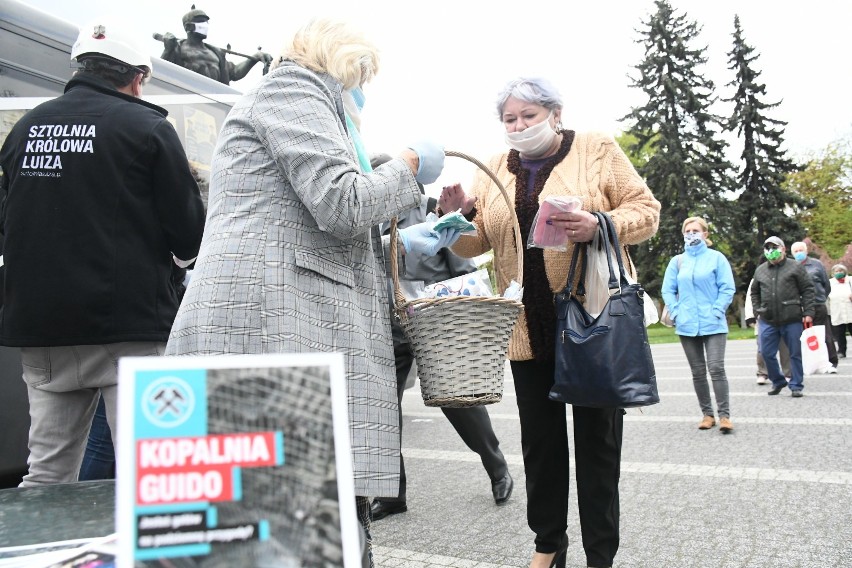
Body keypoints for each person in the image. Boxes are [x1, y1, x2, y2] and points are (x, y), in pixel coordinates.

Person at [163, 18, 458, 565]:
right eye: (362, 72)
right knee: (296, 515)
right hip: (268, 330)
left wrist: (420, 231)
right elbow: (342, 203)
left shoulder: (302, 104)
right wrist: (410, 167)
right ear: (339, 59)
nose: (362, 88)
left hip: (281, 328)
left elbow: (329, 220)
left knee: (294, 519)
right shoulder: (294, 89)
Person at [439, 77, 660, 568]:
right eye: (509, 120)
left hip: (592, 320)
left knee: (597, 447)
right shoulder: (494, 167)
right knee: (540, 446)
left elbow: (646, 212)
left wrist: (599, 223)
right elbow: (476, 243)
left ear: (555, 114)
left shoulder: (596, 149)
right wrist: (451, 219)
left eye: (528, 116)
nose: (518, 127)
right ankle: (548, 545)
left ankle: (600, 554)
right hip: (527, 329)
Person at [0, 20, 205, 486]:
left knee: (48, 471)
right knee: (155, 472)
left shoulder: (25, 128)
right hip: (129, 329)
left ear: (80, 68)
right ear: (137, 78)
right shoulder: (149, 127)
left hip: (40, 328)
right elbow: (189, 236)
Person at [370, 153, 513, 522]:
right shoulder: (370, 221)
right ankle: (391, 493)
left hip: (436, 323)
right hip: (384, 324)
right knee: (382, 408)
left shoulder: (433, 212)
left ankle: (497, 468)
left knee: (459, 400)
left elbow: (463, 270)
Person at [661, 217, 735, 432]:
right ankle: (707, 414)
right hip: (686, 324)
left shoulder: (716, 258)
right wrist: (675, 311)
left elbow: (727, 288)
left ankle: (725, 416)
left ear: (705, 234)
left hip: (713, 322)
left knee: (716, 368)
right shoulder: (677, 261)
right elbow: (667, 289)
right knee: (698, 371)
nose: (691, 234)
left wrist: (717, 310)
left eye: (696, 230)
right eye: (688, 230)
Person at [750, 236, 815, 397]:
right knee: (766, 352)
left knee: (794, 353)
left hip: (791, 317)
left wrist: (808, 312)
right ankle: (778, 381)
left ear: (783, 249)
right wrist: (757, 310)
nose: (771, 251)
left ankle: (796, 385)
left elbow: (807, 290)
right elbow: (754, 292)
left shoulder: (795, 267)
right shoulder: (761, 270)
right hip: (768, 319)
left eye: (774, 247)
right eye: (768, 248)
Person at [160, 5, 272, 84]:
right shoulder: (177, 49)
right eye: (200, 21)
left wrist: (256, 57)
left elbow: (235, 73)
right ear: (188, 26)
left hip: (215, 103)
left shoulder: (216, 53)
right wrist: (167, 50)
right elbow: (161, 72)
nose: (205, 25)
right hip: (189, 99)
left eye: (206, 22)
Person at [790, 241, 838, 372]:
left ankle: (831, 362)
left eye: (801, 250)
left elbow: (826, 285)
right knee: (802, 336)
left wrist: (821, 297)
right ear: (792, 253)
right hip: (799, 307)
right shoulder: (791, 267)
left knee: (824, 334)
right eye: (796, 251)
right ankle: (807, 362)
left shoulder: (817, 265)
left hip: (817, 304)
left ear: (806, 251)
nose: (799, 253)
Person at [745, 278, 792, 384]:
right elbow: (751, 297)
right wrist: (750, 316)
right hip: (764, 317)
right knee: (763, 348)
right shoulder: (758, 277)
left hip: (784, 315)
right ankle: (762, 372)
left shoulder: (787, 273)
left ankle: (788, 373)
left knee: (785, 346)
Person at [828, 263, 852, 358]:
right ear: (833, 273)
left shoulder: (850, 280)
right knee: (840, 334)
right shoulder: (830, 283)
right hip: (837, 311)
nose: (839, 273)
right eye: (836, 271)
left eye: (841, 271)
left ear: (845, 272)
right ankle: (841, 351)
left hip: (849, 310)